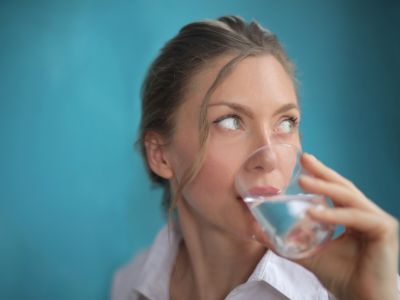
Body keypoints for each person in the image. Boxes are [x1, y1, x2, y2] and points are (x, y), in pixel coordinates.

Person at [111, 16, 399, 300]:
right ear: (161, 155)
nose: (270, 158)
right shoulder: (131, 283)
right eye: (230, 122)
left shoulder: (356, 290)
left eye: (286, 123)